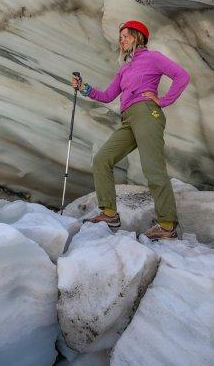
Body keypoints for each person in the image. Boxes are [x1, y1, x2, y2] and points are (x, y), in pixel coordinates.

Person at [71, 20, 190, 240]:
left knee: (153, 168)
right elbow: (107, 95)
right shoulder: (125, 68)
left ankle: (167, 224)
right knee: (102, 159)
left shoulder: (152, 57)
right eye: (120, 37)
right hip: (128, 119)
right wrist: (83, 87)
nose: (121, 40)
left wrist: (162, 100)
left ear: (138, 37)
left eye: (125, 36)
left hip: (147, 114)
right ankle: (109, 213)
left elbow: (182, 76)